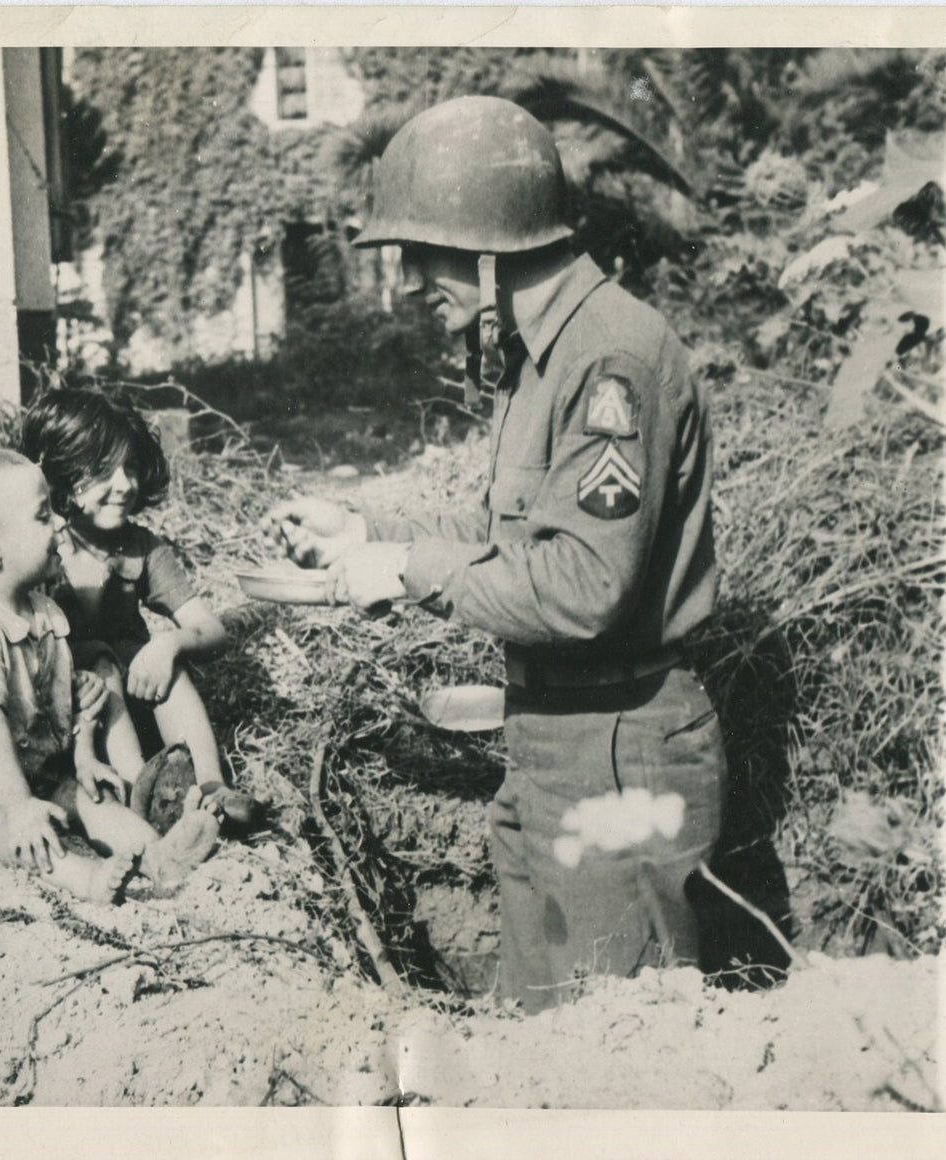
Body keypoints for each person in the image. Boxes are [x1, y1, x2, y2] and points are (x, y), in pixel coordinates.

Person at [268, 96, 728, 1012]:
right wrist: (371, 541)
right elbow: (526, 544)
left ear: (486, 252)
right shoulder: (542, 357)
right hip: (555, 741)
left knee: (607, 1068)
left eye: (419, 255)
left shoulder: (608, 364)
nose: (410, 284)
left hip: (613, 751)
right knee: (542, 1050)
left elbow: (585, 588)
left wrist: (408, 571)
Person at [0, 449, 218, 903]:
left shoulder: (44, 612)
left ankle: (159, 856)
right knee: (3, 821)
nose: (59, 525)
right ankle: (83, 879)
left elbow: (63, 700)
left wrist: (86, 757)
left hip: (32, 773)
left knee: (92, 800)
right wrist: (18, 805)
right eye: (41, 516)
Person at [20, 389, 263, 828]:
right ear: (64, 476)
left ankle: (211, 785)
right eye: (102, 471)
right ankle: (136, 791)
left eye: (130, 468)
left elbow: (211, 629)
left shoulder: (141, 548)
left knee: (164, 665)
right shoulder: (44, 546)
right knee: (98, 656)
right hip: (66, 708)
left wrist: (170, 642)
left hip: (133, 706)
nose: (124, 485)